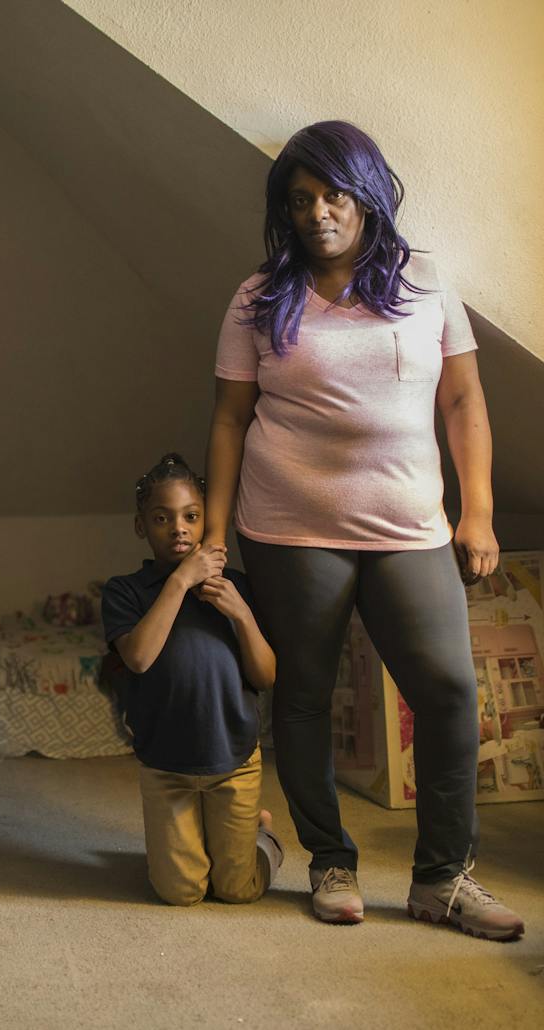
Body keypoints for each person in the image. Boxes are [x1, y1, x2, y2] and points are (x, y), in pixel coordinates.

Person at [205, 120, 524, 939]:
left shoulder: (426, 282)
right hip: (289, 526)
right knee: (306, 695)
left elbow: (463, 401)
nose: (319, 213)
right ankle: (330, 858)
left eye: (334, 193)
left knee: (450, 692)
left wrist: (476, 509)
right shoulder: (257, 297)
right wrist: (212, 531)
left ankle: (442, 879)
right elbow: (231, 419)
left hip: (409, 527)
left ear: (368, 193)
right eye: (301, 199)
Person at [102, 453, 283, 906]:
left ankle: (262, 834)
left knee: (237, 891)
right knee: (181, 892)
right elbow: (140, 658)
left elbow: (266, 675)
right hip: (167, 767)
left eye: (191, 516)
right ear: (142, 526)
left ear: (205, 521)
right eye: (162, 518)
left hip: (234, 761)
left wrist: (241, 612)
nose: (178, 528)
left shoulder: (235, 586)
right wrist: (181, 581)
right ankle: (196, 844)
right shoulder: (125, 591)